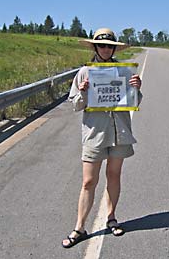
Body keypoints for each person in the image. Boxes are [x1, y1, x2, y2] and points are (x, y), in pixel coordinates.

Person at [62, 28, 142, 248]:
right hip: (94, 134)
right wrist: (83, 91)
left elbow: (134, 100)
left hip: (119, 131)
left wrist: (136, 88)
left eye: (110, 46)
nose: (106, 49)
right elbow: (76, 105)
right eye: (102, 45)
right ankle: (79, 227)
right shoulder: (85, 72)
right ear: (95, 47)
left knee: (113, 175)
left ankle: (111, 217)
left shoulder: (124, 71)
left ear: (114, 48)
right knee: (88, 181)